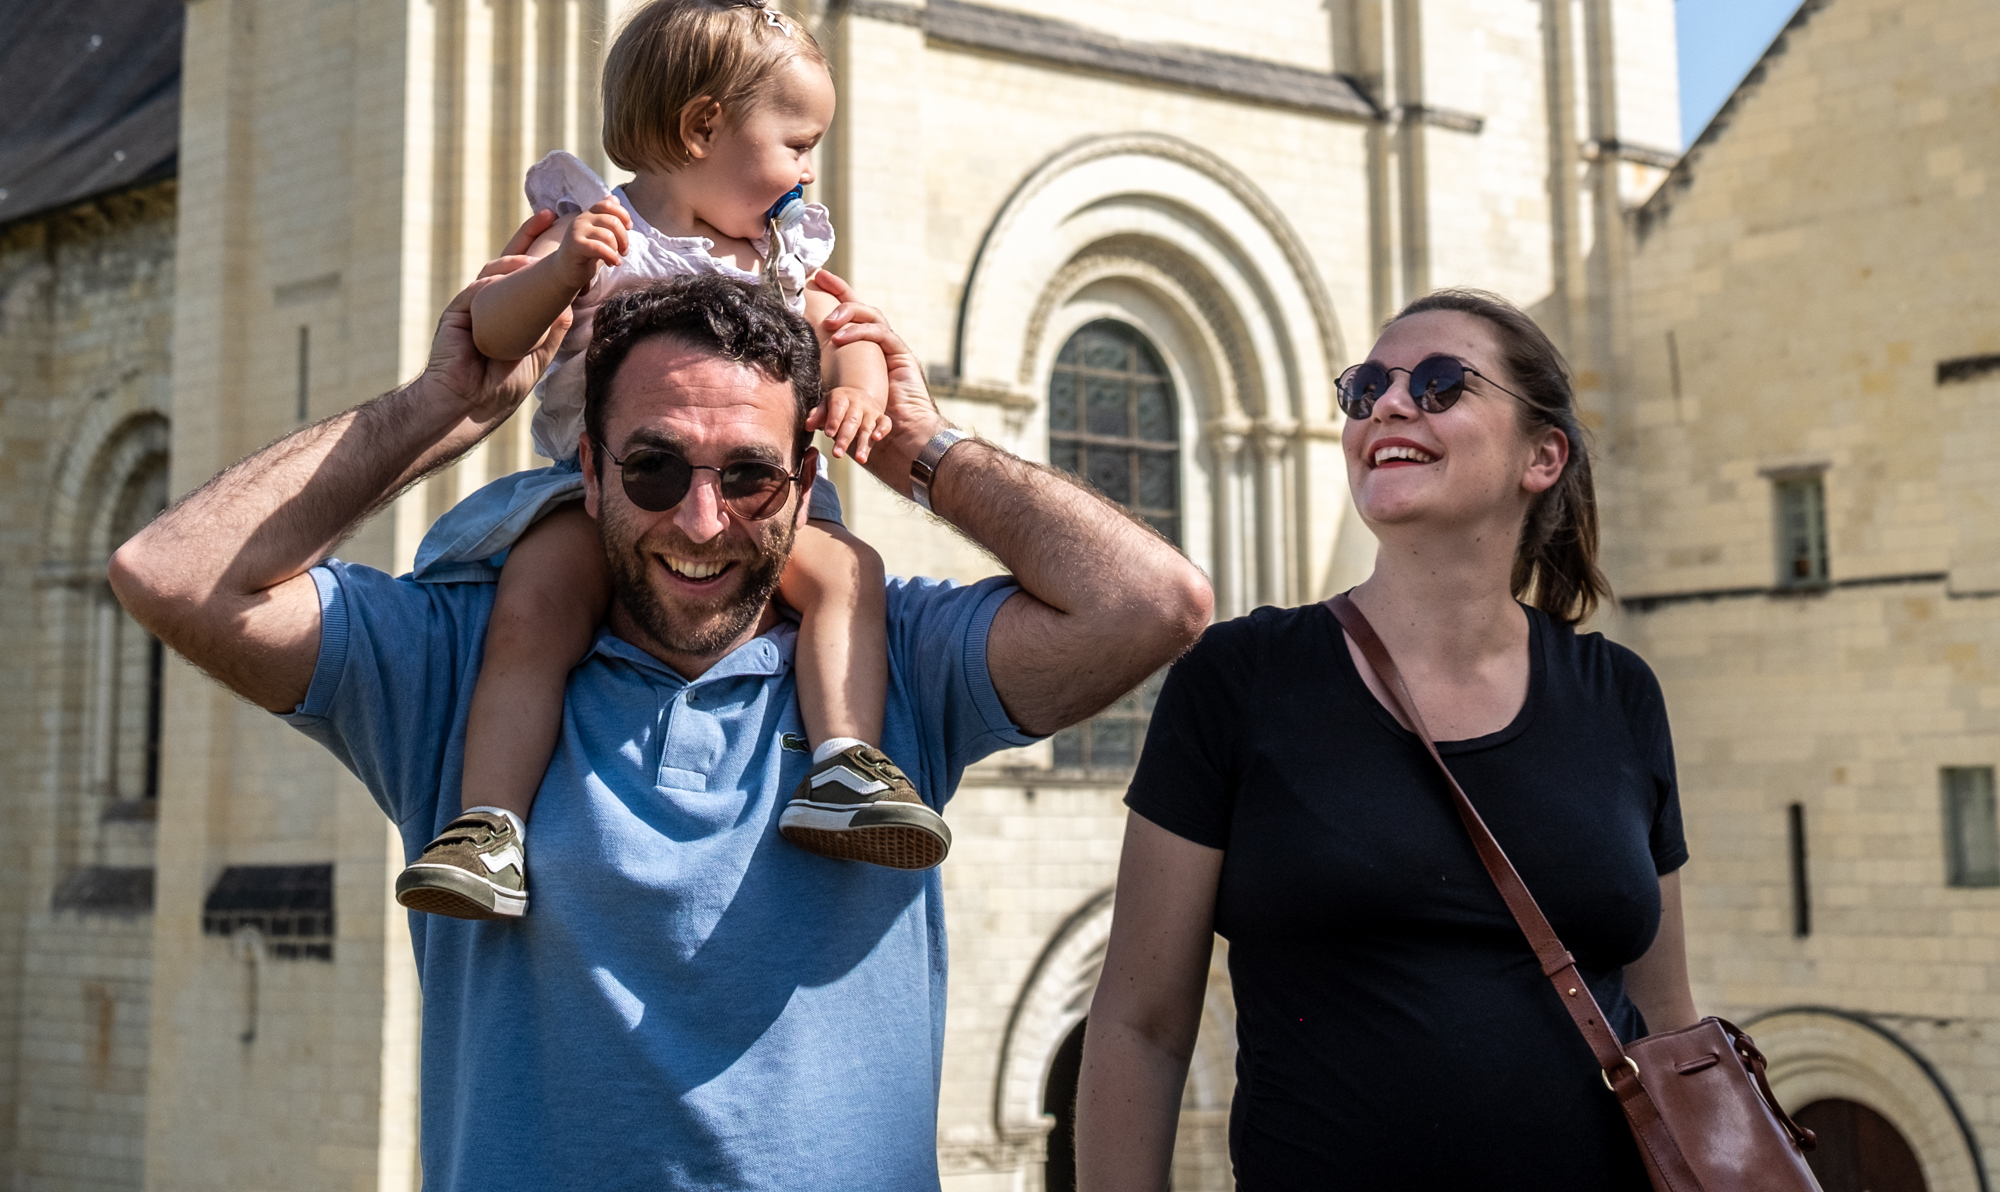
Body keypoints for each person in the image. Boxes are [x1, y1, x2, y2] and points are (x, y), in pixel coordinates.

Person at [111, 244, 1210, 1192]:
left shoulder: (895, 664)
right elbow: (171, 573)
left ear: (805, 478)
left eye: (750, 476)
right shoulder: (460, 666)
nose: (702, 519)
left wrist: (918, 448)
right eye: (653, 468)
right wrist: (441, 407)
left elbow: (1154, 603)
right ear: (587, 471)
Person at [397, 0, 946, 921]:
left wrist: (859, 389)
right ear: (702, 129)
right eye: (797, 144)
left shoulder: (776, 257)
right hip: (595, 494)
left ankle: (844, 762)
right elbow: (492, 331)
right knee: (534, 602)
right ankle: (488, 827)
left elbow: (852, 330)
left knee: (847, 572)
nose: (808, 172)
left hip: (747, 500)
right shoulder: (594, 228)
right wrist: (560, 271)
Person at [1077, 289, 1696, 1191]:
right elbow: (1140, 1024)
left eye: (1441, 384)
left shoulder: (1621, 695)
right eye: (1366, 388)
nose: (1390, 405)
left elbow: (1665, 1015)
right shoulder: (1240, 677)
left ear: (1543, 456)